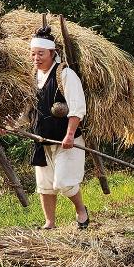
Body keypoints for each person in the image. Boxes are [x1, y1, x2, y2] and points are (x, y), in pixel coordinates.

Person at [27, 27, 91, 230]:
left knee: (64, 182)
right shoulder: (32, 77)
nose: (36, 58)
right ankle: (50, 222)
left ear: (52, 53)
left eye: (41, 53)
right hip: (42, 139)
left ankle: (81, 210)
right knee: (45, 185)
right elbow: (26, 108)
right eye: (33, 53)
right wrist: (11, 124)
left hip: (66, 141)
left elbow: (77, 108)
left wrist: (70, 134)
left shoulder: (65, 75)